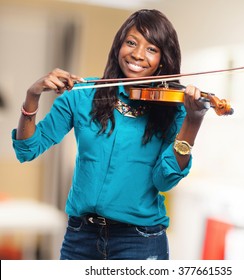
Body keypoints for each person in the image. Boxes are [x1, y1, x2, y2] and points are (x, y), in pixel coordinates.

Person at [12, 9, 209, 260]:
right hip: (80, 236)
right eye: (131, 42)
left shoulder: (173, 109)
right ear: (119, 46)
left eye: (151, 49)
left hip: (140, 241)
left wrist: (193, 122)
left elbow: (165, 179)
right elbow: (26, 150)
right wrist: (32, 95)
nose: (138, 54)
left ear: (162, 59)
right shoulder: (82, 94)